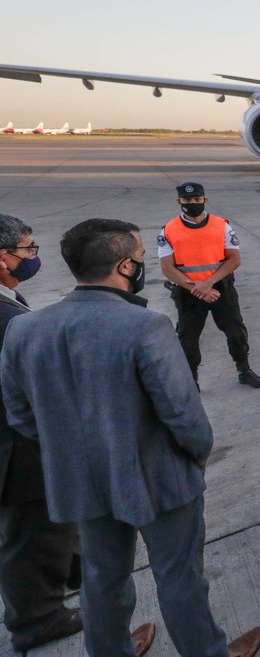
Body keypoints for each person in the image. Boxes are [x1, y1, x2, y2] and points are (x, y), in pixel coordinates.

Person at [0, 218, 260, 657]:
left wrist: (73, 453)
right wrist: (195, 459)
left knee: (102, 578)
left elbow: (21, 416)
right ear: (125, 267)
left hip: (84, 483)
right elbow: (185, 416)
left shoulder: (24, 329)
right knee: (179, 577)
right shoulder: (145, 326)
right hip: (159, 481)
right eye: (140, 258)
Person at [0, 215, 84, 653]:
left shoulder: (7, 303)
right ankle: (38, 620)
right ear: (3, 258)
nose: (34, 256)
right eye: (28, 249)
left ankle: (72, 570)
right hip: (16, 447)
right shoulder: (6, 318)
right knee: (32, 535)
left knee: (52, 525)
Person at [158, 182, 260, 389]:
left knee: (236, 333)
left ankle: (244, 370)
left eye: (197, 199)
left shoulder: (222, 226)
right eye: (187, 200)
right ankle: (192, 380)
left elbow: (234, 260)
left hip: (221, 290)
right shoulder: (169, 230)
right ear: (179, 201)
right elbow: (167, 268)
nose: (192, 203)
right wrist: (198, 289)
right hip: (189, 293)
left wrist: (207, 284)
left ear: (205, 200)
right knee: (188, 338)